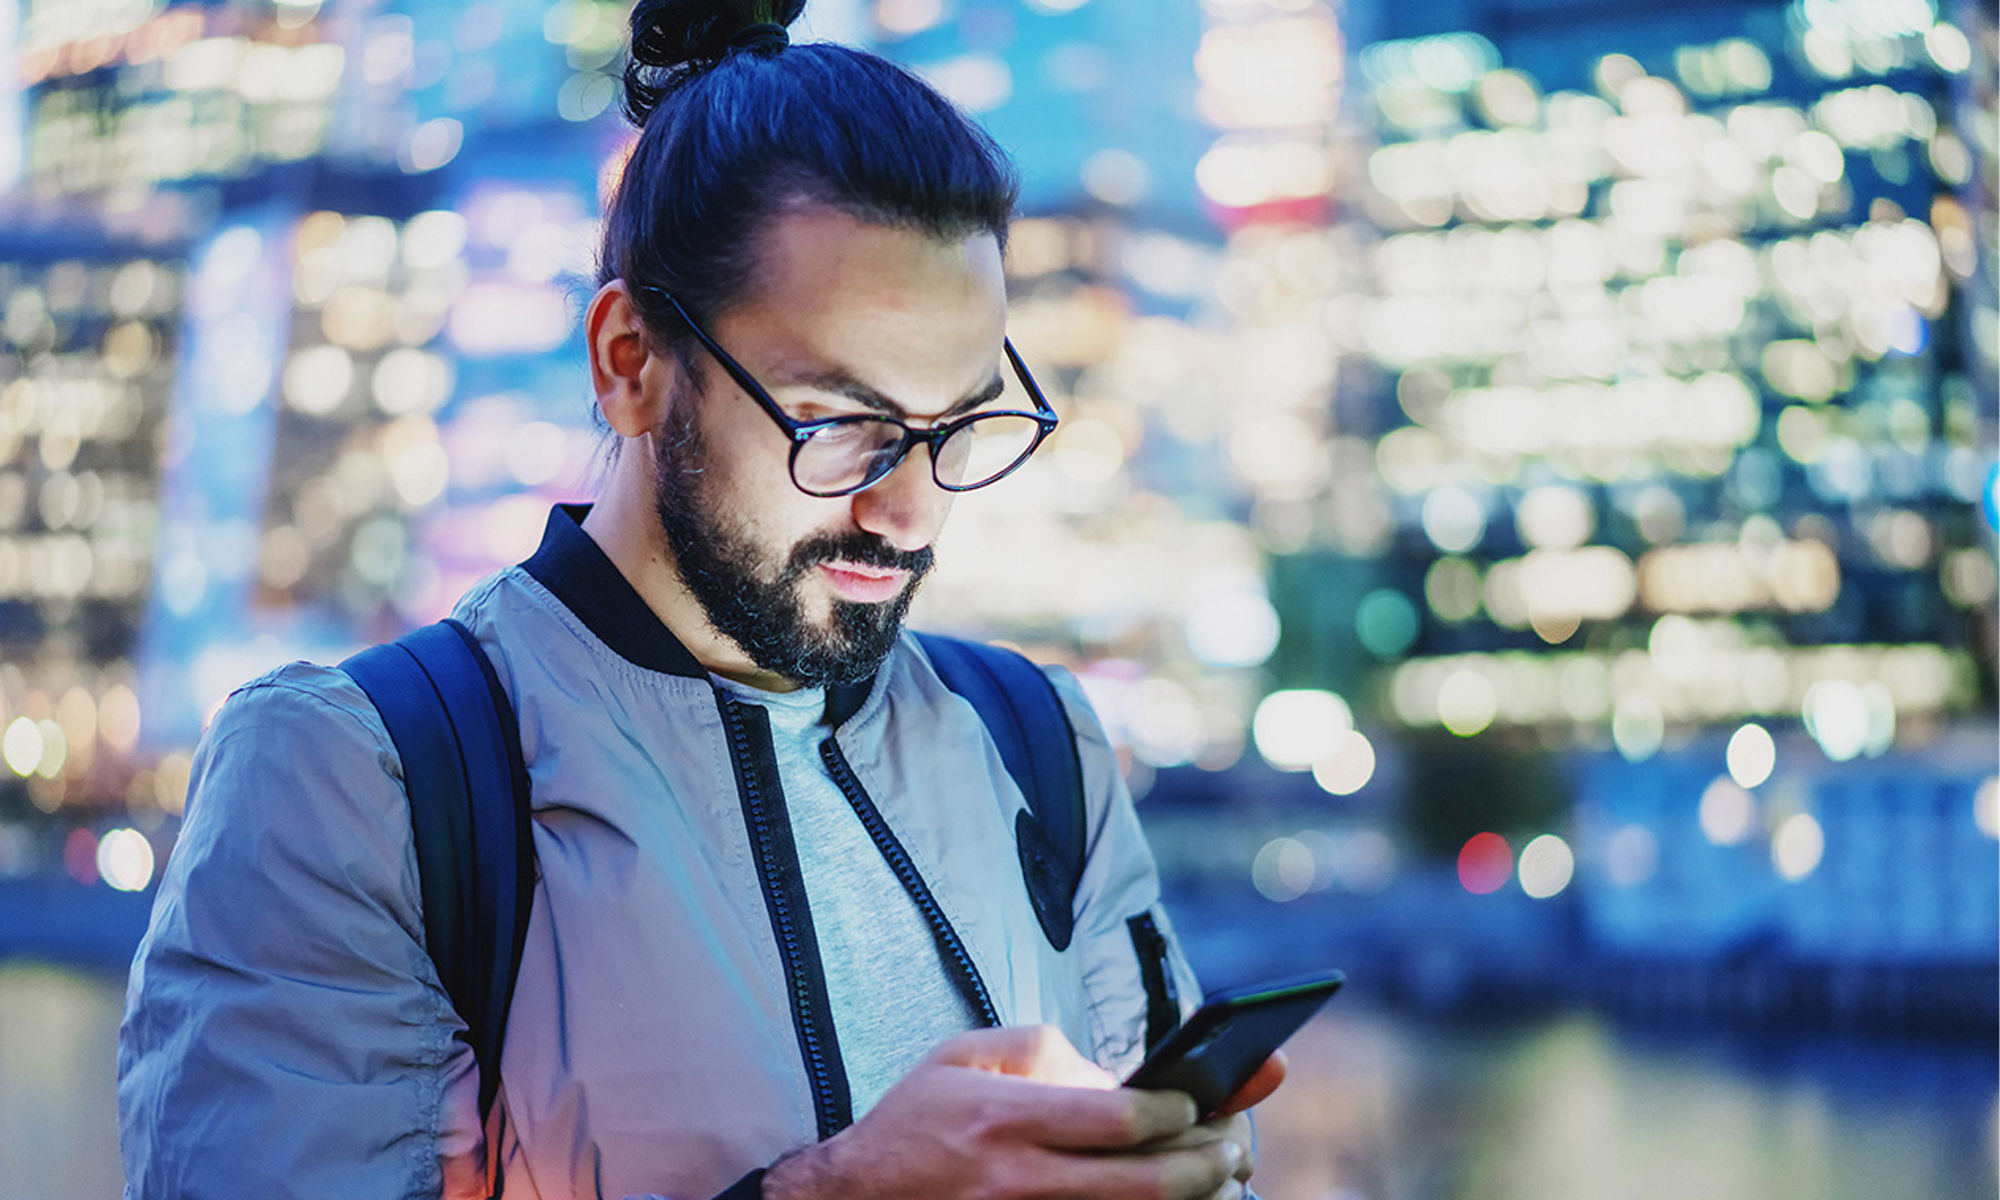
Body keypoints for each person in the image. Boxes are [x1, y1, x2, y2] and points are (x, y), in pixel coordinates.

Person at [117, 2, 1283, 1197]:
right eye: (839, 425)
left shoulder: (1042, 747)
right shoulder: (357, 780)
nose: (912, 512)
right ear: (629, 362)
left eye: (960, 425)